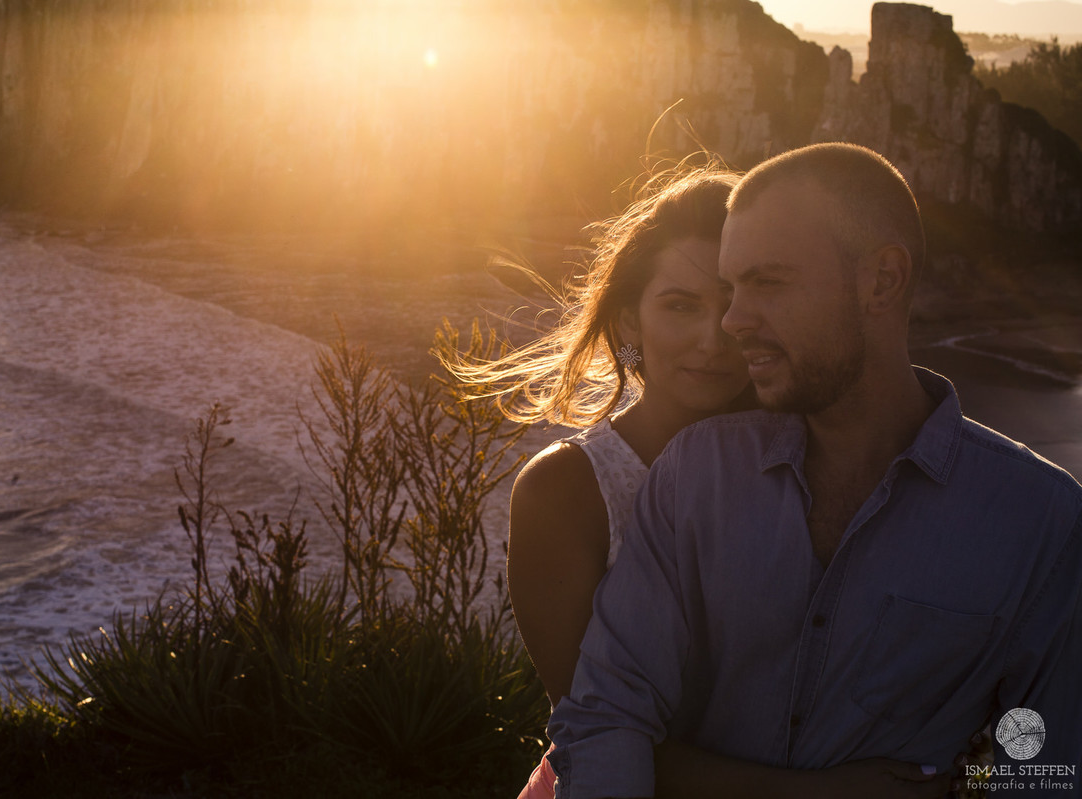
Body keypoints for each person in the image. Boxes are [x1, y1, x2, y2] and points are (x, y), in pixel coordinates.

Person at [546, 142, 1082, 799]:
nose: (733, 322)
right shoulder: (696, 475)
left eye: (766, 283)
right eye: (730, 287)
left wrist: (965, 778)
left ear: (882, 281)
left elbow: (1049, 765)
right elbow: (607, 715)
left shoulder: (1041, 521)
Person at [452, 164, 965, 798]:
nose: (714, 338)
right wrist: (822, 792)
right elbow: (596, 728)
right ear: (630, 320)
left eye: (734, 303)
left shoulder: (826, 462)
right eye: (678, 305)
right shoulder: (566, 492)